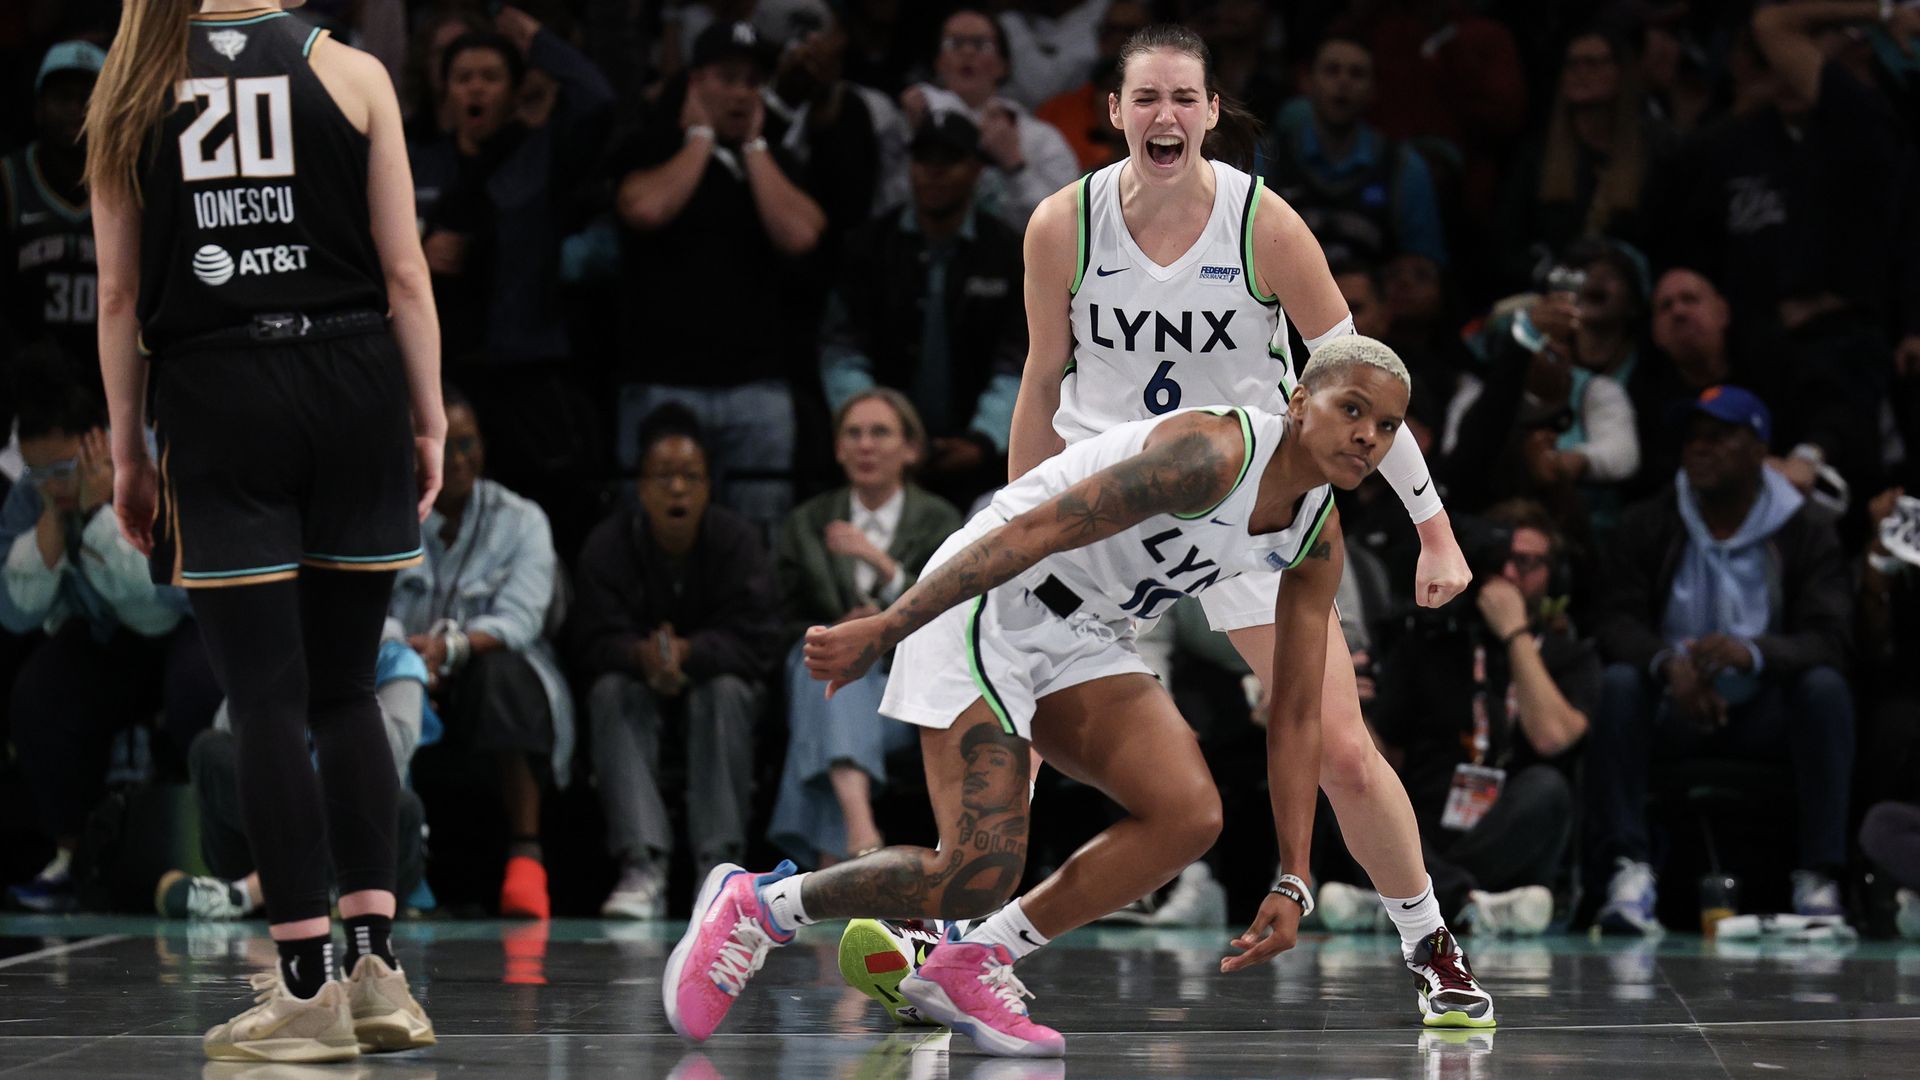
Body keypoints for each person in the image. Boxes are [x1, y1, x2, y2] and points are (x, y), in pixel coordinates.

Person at [663, 340, 1493, 1059]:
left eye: (1387, 427)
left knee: (1189, 815)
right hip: (992, 605)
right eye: (1353, 410)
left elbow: (1298, 713)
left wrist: (1295, 875)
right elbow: (1033, 529)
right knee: (973, 873)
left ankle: (971, 964)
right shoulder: (1213, 453)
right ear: (1298, 398)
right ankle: (762, 906)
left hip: (1086, 638)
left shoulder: (1316, 537)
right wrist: (887, 624)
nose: (1367, 437)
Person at [969, 22, 1480, 1010]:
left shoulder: (1267, 224)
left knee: (1339, 748)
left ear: (1210, 114)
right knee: (1013, 721)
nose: (1165, 115)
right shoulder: (1059, 225)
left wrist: (1433, 525)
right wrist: (1022, 523)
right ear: (1113, 114)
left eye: (1183, 99)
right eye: (1145, 98)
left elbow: (1358, 382)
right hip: (1110, 504)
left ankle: (1430, 944)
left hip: (1249, 503)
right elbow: (1042, 380)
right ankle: (951, 939)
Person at [87, 0, 442, 1061]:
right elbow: (409, 272)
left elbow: (115, 296)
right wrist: (427, 416)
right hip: (355, 383)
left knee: (265, 701)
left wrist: (125, 453)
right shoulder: (356, 72)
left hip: (221, 390)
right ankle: (377, 973)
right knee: (344, 692)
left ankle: (304, 988)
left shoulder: (133, 80)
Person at [1588, 386, 1854, 933]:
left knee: (1824, 689)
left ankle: (1819, 879)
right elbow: (1615, 622)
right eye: (1693, 439)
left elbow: (1831, 637)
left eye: (1719, 438)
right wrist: (1669, 664)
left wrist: (1752, 653)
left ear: (1759, 450)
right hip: (1674, 704)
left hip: (1765, 711)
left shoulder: (1806, 529)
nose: (1700, 450)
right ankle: (1628, 873)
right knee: (1618, 684)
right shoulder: (1650, 521)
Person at [1, 354, 220, 913]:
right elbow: (13, 615)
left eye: (60, 471)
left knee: (201, 687)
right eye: (37, 473)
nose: (51, 486)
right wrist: (51, 522)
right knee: (40, 691)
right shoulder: (33, 496)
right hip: (111, 638)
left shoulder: (155, 461)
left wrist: (106, 514)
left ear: (95, 440)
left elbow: (181, 587)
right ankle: (74, 855)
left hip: (188, 627)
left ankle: (232, 858)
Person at [613, 20, 827, 530]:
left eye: (752, 81)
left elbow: (802, 235)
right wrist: (700, 138)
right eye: (727, 78)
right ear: (694, 82)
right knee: (652, 533)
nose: (740, 93)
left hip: (757, 389)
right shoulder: (651, 146)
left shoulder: (775, 159)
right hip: (661, 383)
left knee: (761, 536)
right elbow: (644, 209)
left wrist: (753, 149)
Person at [578, 405, 782, 919]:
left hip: (716, 686)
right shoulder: (607, 546)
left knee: (727, 691)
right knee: (608, 690)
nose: (676, 490)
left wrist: (692, 654)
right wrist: (640, 655)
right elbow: (588, 640)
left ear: (709, 487)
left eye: (690, 477)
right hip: (636, 684)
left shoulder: (738, 542)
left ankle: (719, 869)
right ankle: (642, 864)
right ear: (641, 487)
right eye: (663, 477)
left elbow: (760, 640)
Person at [1361, 500, 1596, 937]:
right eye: (1501, 562)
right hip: (1425, 831)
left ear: (1553, 576)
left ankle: (1415, 902)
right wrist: (1345, 706)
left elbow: (1552, 738)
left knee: (1547, 789)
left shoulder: (1570, 656)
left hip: (1506, 839)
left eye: (1526, 563)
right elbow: (1383, 760)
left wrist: (1514, 633)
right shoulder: (1429, 644)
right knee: (1345, 783)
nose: (1509, 576)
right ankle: (1463, 902)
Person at [392, 387, 569, 920]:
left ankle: (525, 856)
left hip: (489, 683)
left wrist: (450, 649)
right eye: (446, 445)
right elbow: (364, 604)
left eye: (468, 443)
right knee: (368, 684)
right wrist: (405, 657)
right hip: (404, 671)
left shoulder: (522, 519)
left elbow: (522, 619)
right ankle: (390, 865)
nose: (460, 459)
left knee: (502, 673)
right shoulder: (385, 515)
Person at [768, 389, 962, 871]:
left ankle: (831, 865)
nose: (865, 446)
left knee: (828, 681)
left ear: (910, 449)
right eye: (853, 434)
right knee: (825, 659)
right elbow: (777, 620)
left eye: (880, 433)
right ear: (837, 448)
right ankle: (861, 834)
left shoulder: (942, 521)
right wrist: (838, 632)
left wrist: (880, 569)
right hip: (821, 684)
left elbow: (957, 615)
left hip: (909, 696)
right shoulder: (807, 523)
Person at [819, 112, 1026, 509]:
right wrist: (880, 432)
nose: (933, 172)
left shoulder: (1006, 252)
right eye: (923, 160)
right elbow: (840, 347)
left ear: (977, 170)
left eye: (948, 161)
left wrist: (983, 439)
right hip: (879, 459)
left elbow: (1020, 358)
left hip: (984, 459)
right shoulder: (867, 246)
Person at [157, 640, 431, 923]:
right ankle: (294, 890)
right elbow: (231, 733)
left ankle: (246, 895)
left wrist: (341, 678)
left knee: (402, 807)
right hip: (272, 835)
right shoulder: (276, 653)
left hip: (352, 847)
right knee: (209, 749)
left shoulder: (395, 659)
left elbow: (390, 758)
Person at [1263, 35, 1449, 270]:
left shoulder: (1404, 167)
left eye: (1357, 74)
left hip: (1372, 303)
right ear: (1307, 81)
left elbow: (1424, 269)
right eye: (1332, 71)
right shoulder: (1266, 157)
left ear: (1373, 90)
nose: (1343, 82)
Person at [901, 8, 1080, 228]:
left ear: (1003, 65)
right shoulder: (911, 119)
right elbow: (889, 203)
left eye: (980, 44)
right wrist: (920, 139)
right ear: (938, 62)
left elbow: (1067, 224)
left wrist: (1015, 166)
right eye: (954, 43)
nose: (967, 52)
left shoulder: (1039, 137)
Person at [1, 41, 106, 387]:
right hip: (22, 390)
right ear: (38, 108)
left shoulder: (133, 186)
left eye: (88, 99)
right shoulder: (9, 180)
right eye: (63, 98)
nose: (77, 110)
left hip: (107, 389)